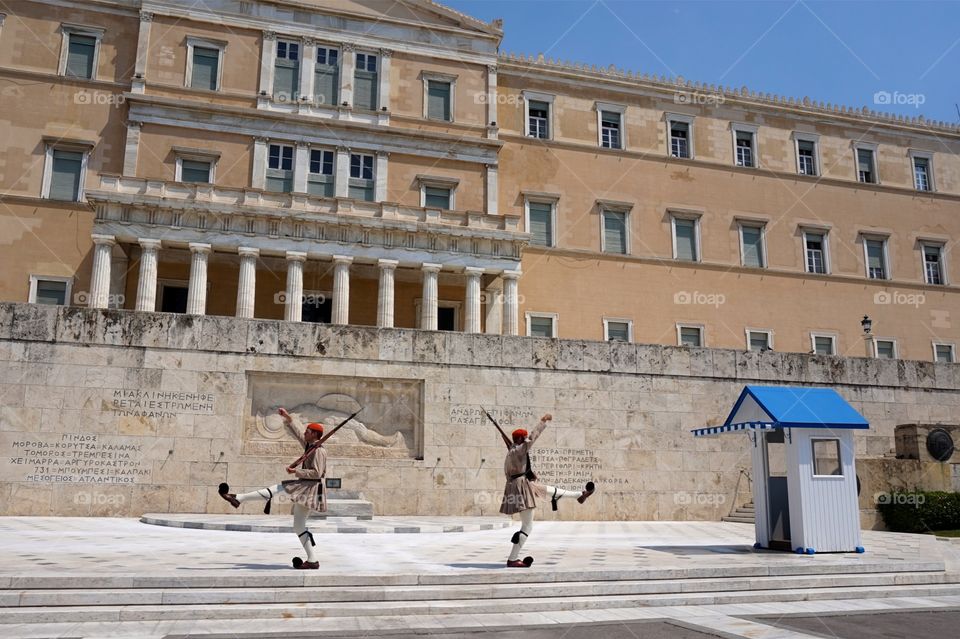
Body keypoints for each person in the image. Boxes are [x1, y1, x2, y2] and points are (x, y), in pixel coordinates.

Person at [217, 407, 327, 570]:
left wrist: (296, 471)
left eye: (308, 431)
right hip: (305, 487)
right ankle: (312, 560)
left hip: (309, 488)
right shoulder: (309, 446)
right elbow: (297, 433)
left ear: (315, 434)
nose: (305, 432)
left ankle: (238, 498)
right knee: (298, 526)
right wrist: (288, 418)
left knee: (277, 488)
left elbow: (317, 473)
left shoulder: (319, 451)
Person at [498, 413, 595, 567]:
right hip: (521, 487)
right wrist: (543, 422)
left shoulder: (511, 451)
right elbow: (533, 437)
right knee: (527, 526)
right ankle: (513, 558)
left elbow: (513, 450)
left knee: (547, 490)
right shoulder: (520, 450)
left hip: (519, 485)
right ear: (521, 439)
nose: (525, 441)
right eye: (523, 439)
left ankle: (579, 495)